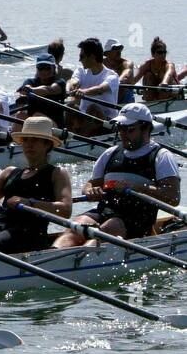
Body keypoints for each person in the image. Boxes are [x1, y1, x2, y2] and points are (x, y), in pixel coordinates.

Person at [53, 103, 180, 247]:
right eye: (120, 128)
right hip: (104, 211)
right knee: (75, 226)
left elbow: (173, 197)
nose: (123, 134)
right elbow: (91, 184)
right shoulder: (110, 153)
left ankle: (77, 259)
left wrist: (137, 188)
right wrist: (89, 190)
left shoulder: (161, 157)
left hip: (136, 221)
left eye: (129, 129)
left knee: (104, 231)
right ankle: (50, 256)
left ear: (146, 128)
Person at [0, 116, 73, 255]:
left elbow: (65, 210)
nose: (29, 144)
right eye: (25, 140)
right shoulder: (10, 172)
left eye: (35, 140)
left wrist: (30, 203)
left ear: (47, 144)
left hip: (30, 232)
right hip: (0, 225)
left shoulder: (57, 173)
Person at [67, 36, 120, 135]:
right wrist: (73, 86)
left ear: (92, 57)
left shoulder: (112, 76)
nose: (79, 60)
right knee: (71, 106)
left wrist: (84, 92)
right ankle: (69, 139)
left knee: (93, 108)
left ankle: (81, 139)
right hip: (86, 119)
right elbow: (74, 80)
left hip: (107, 123)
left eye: (82, 56)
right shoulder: (81, 71)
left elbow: (101, 89)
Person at [14, 53, 67, 127]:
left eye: (47, 68)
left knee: (37, 115)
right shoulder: (30, 82)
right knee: (20, 115)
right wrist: (21, 97)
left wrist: (30, 90)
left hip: (55, 126)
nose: (44, 71)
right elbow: (21, 95)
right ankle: (14, 138)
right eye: (40, 68)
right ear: (37, 69)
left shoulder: (60, 82)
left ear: (54, 68)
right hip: (34, 122)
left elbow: (49, 90)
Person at [132, 37, 178, 101]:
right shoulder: (147, 65)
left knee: (163, 75)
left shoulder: (169, 65)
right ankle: (149, 100)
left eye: (164, 52)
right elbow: (134, 80)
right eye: (160, 52)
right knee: (148, 75)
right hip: (155, 91)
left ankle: (162, 101)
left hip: (168, 91)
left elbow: (168, 74)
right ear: (153, 54)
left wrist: (164, 82)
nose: (163, 54)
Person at [103, 39, 134, 103]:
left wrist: (117, 81)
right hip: (107, 96)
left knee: (121, 84)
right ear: (107, 52)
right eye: (115, 48)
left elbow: (127, 72)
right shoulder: (101, 63)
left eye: (120, 48)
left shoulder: (126, 63)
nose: (118, 51)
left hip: (125, 99)